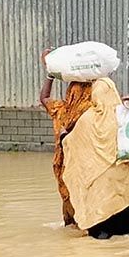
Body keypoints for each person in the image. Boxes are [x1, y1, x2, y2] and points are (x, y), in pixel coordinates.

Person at [40, 51, 129, 239]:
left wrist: (50, 73)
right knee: (127, 243)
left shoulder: (80, 118)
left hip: (98, 199)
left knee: (97, 241)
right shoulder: (122, 117)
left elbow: (69, 140)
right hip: (124, 199)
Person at [40, 50, 93, 227]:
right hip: (81, 172)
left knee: (71, 219)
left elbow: (44, 98)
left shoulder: (62, 111)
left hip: (66, 171)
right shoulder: (91, 111)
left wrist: (50, 75)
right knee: (82, 216)